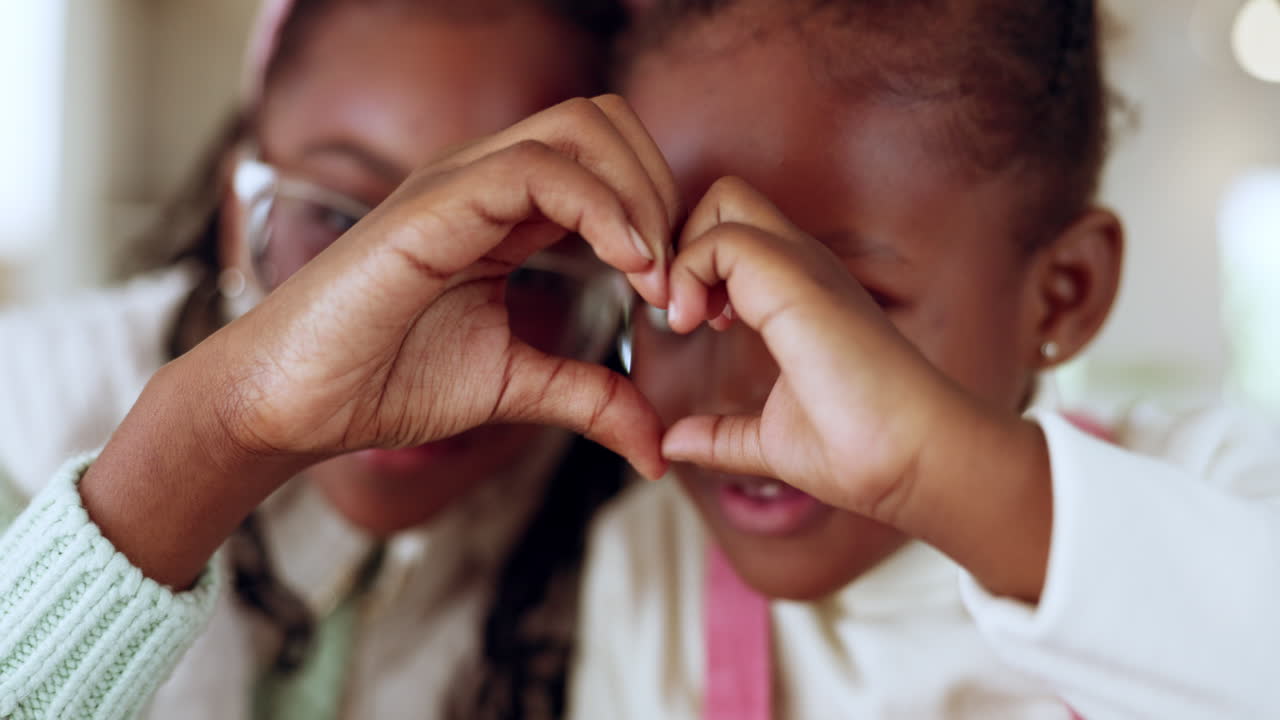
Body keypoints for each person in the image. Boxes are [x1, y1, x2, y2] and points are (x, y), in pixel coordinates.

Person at [570, 1, 1280, 718]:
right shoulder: (651, 572)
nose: (741, 384)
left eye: (845, 306)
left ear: (1064, 296)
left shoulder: (1221, 488)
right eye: (670, 305)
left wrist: (929, 471)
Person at [0, 1, 675, 718]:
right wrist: (211, 440)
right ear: (238, 209)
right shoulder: (27, 416)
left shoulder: (643, 556)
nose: (406, 336)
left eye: (530, 269)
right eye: (336, 220)